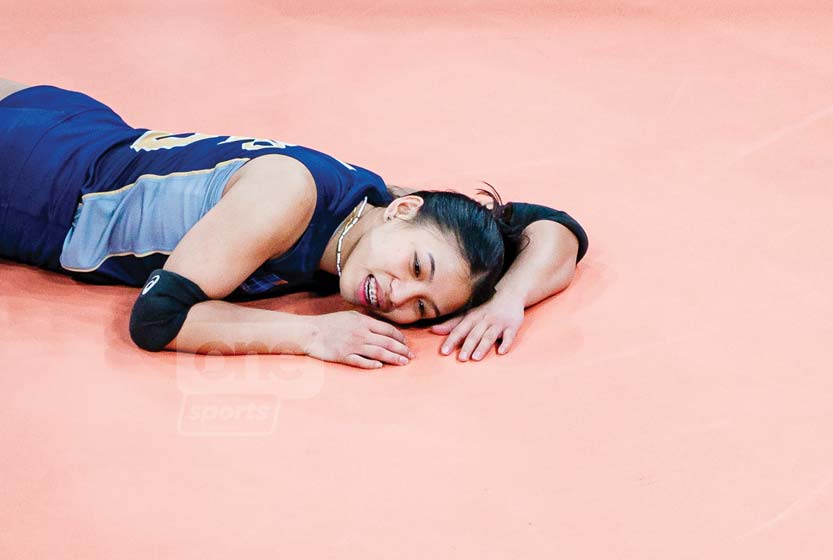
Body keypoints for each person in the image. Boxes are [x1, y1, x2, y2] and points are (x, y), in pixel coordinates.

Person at [0, 79, 588, 368]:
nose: (398, 297)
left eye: (422, 309)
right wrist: (311, 336)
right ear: (405, 212)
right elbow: (159, 319)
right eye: (415, 269)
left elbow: (552, 224)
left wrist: (507, 299)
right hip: (29, 187)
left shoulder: (381, 205)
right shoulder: (287, 198)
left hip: (81, 122)